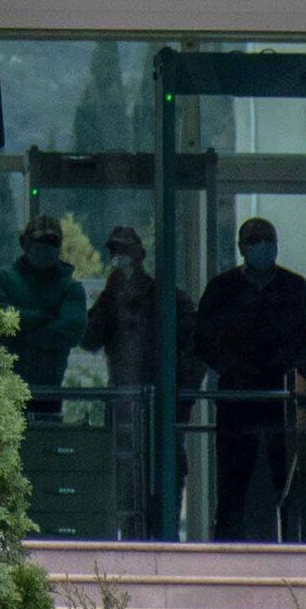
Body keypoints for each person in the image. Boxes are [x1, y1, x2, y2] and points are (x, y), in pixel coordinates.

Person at [192, 215, 306, 542]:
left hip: (282, 403)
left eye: (267, 238)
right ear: (241, 247)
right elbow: (201, 341)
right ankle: (225, 551)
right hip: (236, 402)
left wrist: (282, 365)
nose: (262, 245)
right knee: (232, 486)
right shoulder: (222, 290)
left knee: (288, 483)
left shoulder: (295, 289)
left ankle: (294, 547)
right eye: (254, 239)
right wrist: (233, 367)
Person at [83, 225, 195, 536]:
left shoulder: (167, 296)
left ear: (141, 255)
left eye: (127, 251)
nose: (121, 258)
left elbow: (196, 345)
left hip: (162, 404)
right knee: (125, 477)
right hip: (124, 403)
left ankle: (165, 537)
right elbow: (89, 338)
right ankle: (130, 539)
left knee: (167, 472)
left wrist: (182, 398)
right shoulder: (110, 297)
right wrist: (110, 297)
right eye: (115, 252)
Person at [0, 214, 89, 409]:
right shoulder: (2, 279)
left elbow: (72, 329)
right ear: (24, 243)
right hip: (4, 393)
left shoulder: (71, 288)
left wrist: (23, 334)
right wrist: (42, 319)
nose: (46, 247)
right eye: (40, 240)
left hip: (48, 394)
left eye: (52, 241)